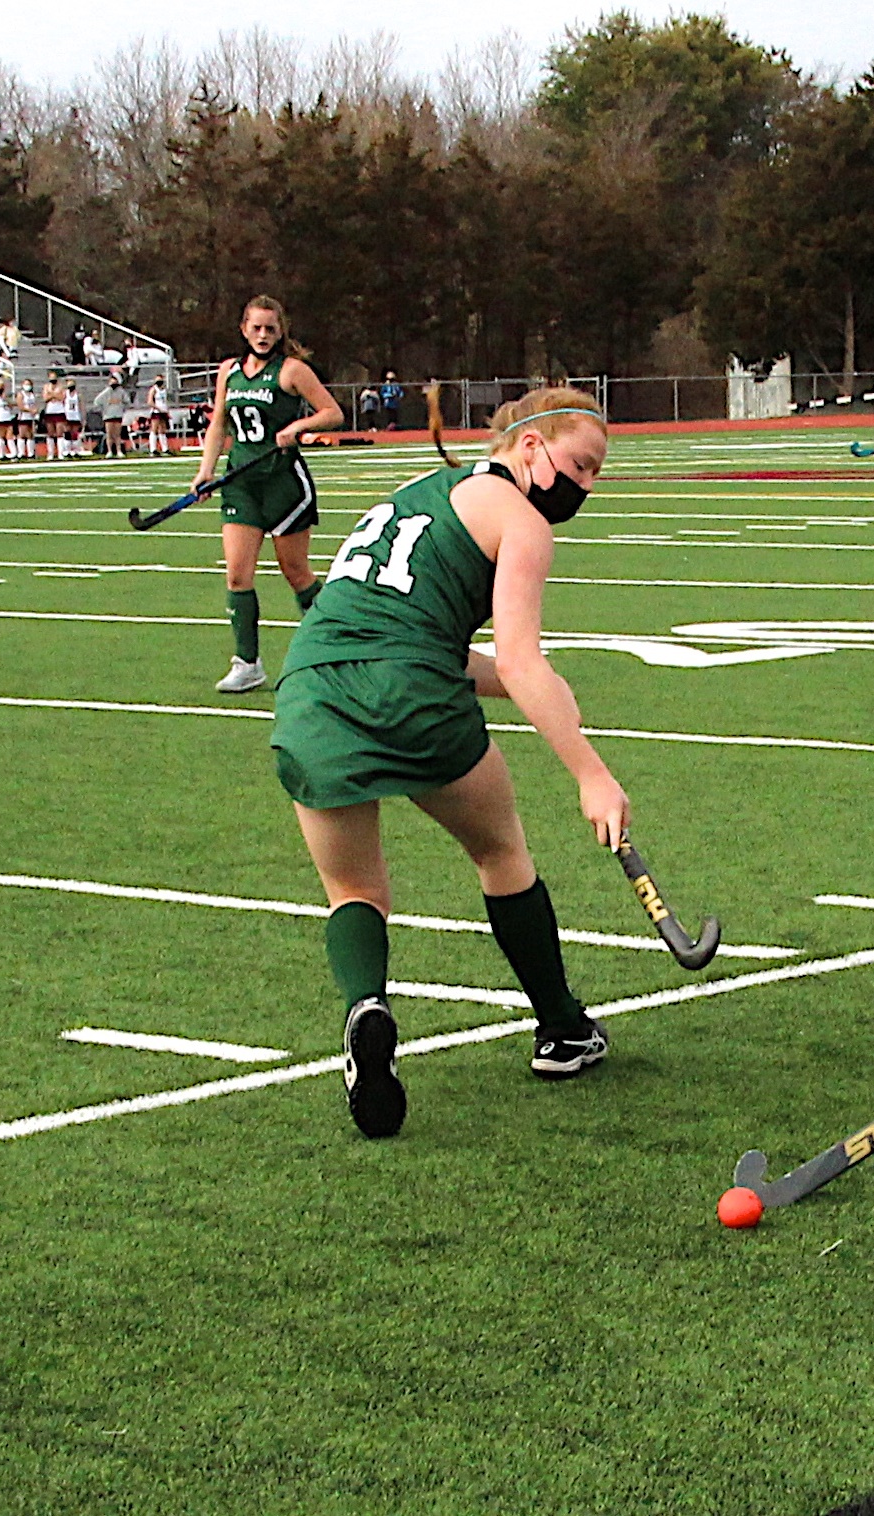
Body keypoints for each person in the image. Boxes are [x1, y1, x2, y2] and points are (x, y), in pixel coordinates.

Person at [270, 385, 628, 1137]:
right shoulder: (521, 520)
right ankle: (562, 1029)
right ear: (531, 447)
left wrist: (545, 695)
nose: (587, 484)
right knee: (501, 852)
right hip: (411, 692)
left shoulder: (415, 492)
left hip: (309, 685)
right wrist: (590, 772)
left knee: (353, 888)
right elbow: (521, 662)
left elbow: (428, 639)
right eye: (583, 463)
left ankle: (366, 1007)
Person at [192, 293, 344, 693]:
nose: (262, 335)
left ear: (280, 332)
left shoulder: (292, 370)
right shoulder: (229, 371)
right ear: (243, 329)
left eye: (270, 329)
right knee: (238, 574)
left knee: (295, 572)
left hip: (284, 482)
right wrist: (205, 471)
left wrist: (297, 428)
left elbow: (332, 411)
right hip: (241, 482)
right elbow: (218, 424)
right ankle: (247, 662)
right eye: (256, 328)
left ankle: (338, 645)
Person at [95, 371, 130, 458]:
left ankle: (118, 451)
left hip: (118, 415)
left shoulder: (121, 392)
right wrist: (104, 408)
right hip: (108, 416)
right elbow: (97, 401)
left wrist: (122, 408)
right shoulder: (107, 391)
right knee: (109, 434)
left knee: (117, 435)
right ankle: (109, 451)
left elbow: (127, 401)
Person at [145, 377, 173, 454]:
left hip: (163, 411)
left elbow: (165, 402)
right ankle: (153, 449)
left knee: (163, 429)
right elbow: (149, 402)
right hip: (156, 412)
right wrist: (157, 408)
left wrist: (167, 411)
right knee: (154, 429)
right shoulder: (153, 390)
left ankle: (165, 448)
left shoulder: (164, 390)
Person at [15, 379, 39, 458]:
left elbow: (34, 404)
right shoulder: (21, 394)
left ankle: (31, 453)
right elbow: (20, 406)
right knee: (22, 434)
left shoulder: (32, 395)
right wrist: (30, 410)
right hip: (23, 416)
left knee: (30, 434)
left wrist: (35, 410)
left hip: (31, 417)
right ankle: (21, 453)